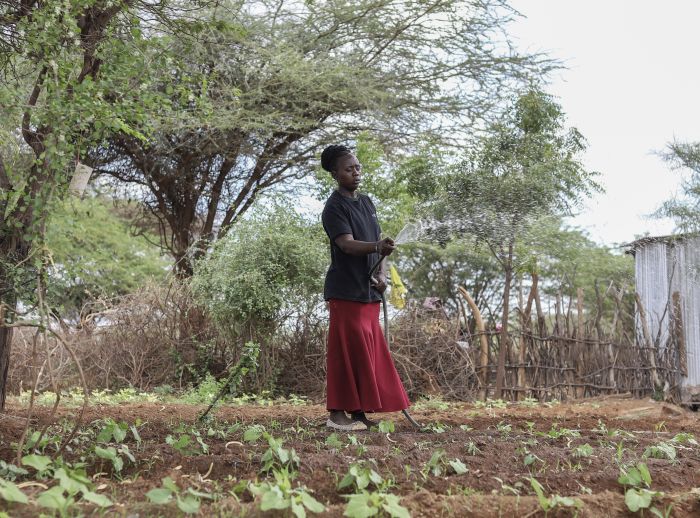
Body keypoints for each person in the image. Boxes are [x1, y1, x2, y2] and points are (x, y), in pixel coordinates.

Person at [320, 144, 411, 431]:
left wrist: (382, 275)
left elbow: (379, 246)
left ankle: (359, 415)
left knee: (364, 353)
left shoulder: (367, 203)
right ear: (335, 174)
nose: (356, 173)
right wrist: (376, 246)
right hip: (346, 292)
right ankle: (337, 414)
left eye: (358, 167)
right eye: (349, 169)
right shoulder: (333, 208)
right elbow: (346, 244)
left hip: (369, 291)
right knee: (344, 352)